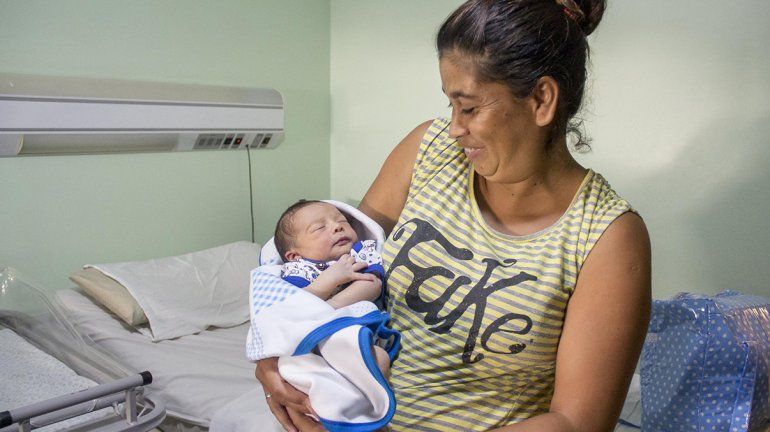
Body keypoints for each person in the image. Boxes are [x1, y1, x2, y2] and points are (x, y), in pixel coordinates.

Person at [255, 0, 651, 431]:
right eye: (450, 105)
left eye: (469, 107)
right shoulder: (428, 153)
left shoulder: (607, 236)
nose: (454, 128)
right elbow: (336, 258)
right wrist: (269, 352)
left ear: (541, 100)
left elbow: (576, 422)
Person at [273, 199, 391, 373]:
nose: (337, 227)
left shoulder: (359, 252)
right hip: (316, 343)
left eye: (342, 221)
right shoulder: (298, 270)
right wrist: (331, 278)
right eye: (320, 228)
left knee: (380, 359)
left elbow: (372, 284)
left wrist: (329, 308)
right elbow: (296, 306)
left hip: (358, 333)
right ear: (294, 255)